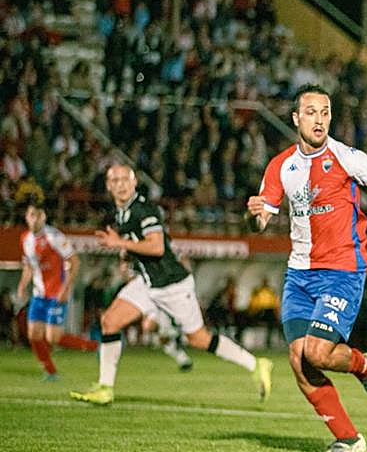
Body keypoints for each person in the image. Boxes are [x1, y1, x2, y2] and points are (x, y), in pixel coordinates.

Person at [246, 84, 367, 452]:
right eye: (311, 112)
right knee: (299, 360)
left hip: (342, 270)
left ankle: (366, 366)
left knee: (317, 353)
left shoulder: (347, 157)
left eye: (325, 112)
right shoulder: (280, 166)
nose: (319, 120)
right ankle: (348, 439)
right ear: (296, 119)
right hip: (299, 275)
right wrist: (253, 215)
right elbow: (260, 221)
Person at [69, 164, 273, 406]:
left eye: (125, 179)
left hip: (172, 284)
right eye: (115, 180)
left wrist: (120, 243)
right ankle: (105, 388)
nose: (121, 184)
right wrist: (127, 255)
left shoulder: (144, 210)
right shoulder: (120, 213)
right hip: (147, 283)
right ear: (108, 185)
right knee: (110, 322)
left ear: (134, 183)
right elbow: (138, 245)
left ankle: (256, 364)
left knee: (198, 338)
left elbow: (156, 247)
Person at [16, 202, 98, 380]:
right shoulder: (25, 239)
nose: (34, 219)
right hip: (39, 295)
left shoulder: (54, 236)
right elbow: (29, 266)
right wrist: (22, 285)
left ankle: (94, 347)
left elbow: (74, 261)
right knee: (34, 334)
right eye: (31, 215)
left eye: (37, 215)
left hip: (56, 293)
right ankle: (50, 371)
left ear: (43, 216)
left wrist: (65, 288)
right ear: (26, 217)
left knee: (53, 337)